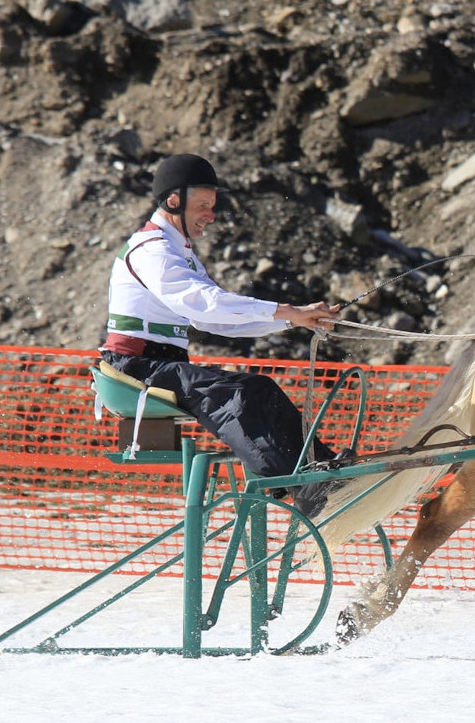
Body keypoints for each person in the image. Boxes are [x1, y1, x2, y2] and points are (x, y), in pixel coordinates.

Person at [99, 153, 353, 516]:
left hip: (158, 364)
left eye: (212, 206)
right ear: (174, 200)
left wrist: (293, 320)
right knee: (234, 395)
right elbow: (205, 304)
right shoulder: (153, 250)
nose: (210, 215)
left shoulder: (177, 251)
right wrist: (286, 312)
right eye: (202, 205)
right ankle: (295, 480)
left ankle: (320, 467)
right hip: (135, 367)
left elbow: (213, 321)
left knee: (261, 388)